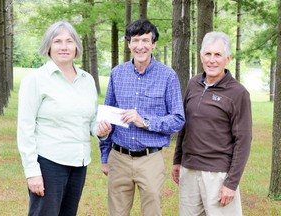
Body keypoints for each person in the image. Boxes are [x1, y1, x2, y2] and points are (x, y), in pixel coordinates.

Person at [17, 21, 112, 216]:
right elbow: (25, 128)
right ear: (48, 47)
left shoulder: (87, 79)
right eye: (57, 41)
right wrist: (32, 172)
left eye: (69, 41)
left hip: (79, 163)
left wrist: (100, 131)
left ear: (76, 46)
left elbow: (91, 120)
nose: (64, 46)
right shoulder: (36, 80)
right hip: (49, 164)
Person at [99, 19, 185, 216]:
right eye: (135, 40)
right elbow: (106, 119)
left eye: (146, 40)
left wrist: (144, 121)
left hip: (150, 159)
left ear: (153, 44)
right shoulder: (117, 74)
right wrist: (105, 157)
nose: (140, 46)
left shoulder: (168, 76)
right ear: (129, 44)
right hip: (118, 158)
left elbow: (178, 119)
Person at [172, 31, 252, 216]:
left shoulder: (238, 93)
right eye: (208, 54)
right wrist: (177, 160)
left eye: (218, 55)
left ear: (228, 58)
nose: (212, 60)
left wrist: (231, 183)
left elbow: (243, 141)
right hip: (190, 170)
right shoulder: (193, 84)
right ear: (201, 57)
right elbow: (185, 126)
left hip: (218, 174)